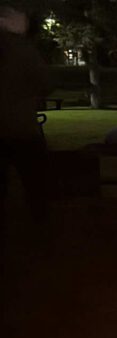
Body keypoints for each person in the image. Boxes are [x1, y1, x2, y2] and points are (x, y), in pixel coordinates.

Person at [0, 3, 51, 231]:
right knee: (35, 182)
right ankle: (41, 227)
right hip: (22, 127)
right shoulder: (24, 50)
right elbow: (46, 82)